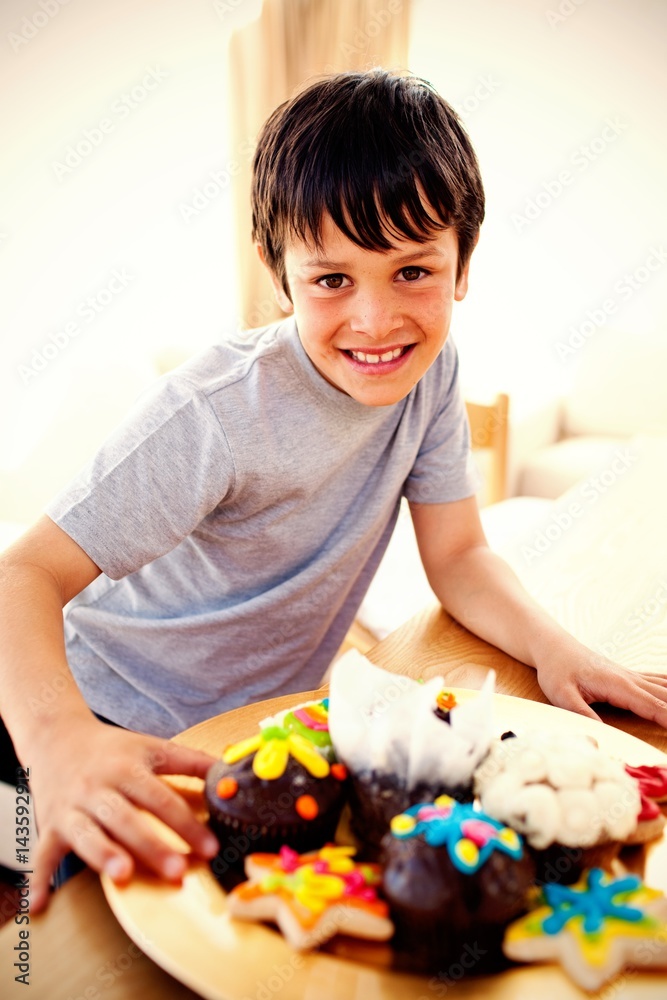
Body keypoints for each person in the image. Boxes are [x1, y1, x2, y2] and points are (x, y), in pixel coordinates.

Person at [1, 69, 666, 912]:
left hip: (248, 738)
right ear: (279, 277)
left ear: (463, 264)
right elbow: (19, 577)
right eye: (331, 280)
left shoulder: (434, 373)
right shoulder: (214, 411)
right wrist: (58, 741)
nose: (377, 321)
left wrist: (558, 648)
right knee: (83, 942)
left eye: (413, 271)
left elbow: (458, 554)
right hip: (97, 726)